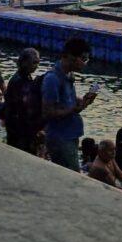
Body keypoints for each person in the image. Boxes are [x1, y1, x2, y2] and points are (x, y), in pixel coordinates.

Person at [42, 37, 96, 171]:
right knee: (71, 176)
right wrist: (72, 109)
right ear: (71, 57)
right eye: (83, 59)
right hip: (60, 138)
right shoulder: (53, 79)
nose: (85, 63)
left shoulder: (68, 75)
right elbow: (48, 112)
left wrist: (82, 102)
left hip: (70, 134)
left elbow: (67, 103)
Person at [4, 48, 44, 154]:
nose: (36, 66)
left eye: (38, 63)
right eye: (34, 63)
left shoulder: (25, 77)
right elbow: (23, 105)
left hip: (19, 126)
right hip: (19, 128)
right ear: (24, 62)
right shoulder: (19, 81)